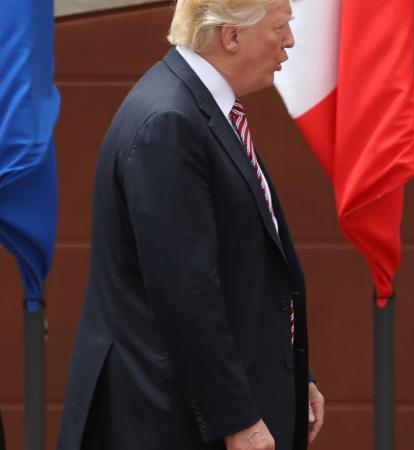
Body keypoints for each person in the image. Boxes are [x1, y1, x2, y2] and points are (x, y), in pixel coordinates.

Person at [57, 1, 324, 449]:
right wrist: (237, 418)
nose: (291, 42)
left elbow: (241, 278)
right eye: (280, 27)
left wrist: (295, 375)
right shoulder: (170, 121)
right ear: (231, 36)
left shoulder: (197, 111)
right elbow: (185, 293)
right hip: (168, 422)